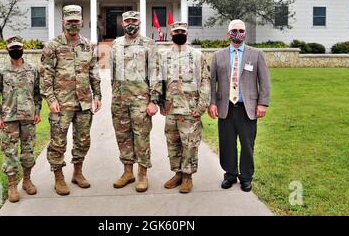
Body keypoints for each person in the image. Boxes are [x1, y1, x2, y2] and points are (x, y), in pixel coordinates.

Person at [40, 5, 101, 196]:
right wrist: (50, 99)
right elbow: (45, 76)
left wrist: (97, 96)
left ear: (81, 21)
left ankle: (77, 172)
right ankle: (59, 177)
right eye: (70, 21)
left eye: (76, 21)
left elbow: (93, 72)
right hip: (61, 103)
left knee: (82, 140)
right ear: (63, 22)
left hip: (83, 102)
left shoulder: (88, 46)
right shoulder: (53, 47)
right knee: (58, 142)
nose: (73, 24)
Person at [208, 19, 271, 192]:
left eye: (241, 30)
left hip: (247, 109)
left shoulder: (256, 54)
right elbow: (212, 82)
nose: (238, 33)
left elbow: (264, 81)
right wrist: (212, 103)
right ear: (228, 34)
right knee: (227, 143)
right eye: (234, 30)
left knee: (247, 144)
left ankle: (246, 177)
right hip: (225, 108)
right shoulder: (218, 55)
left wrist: (263, 104)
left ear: (245, 33)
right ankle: (230, 174)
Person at [152, 21, 210, 193]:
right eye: (176, 31)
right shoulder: (163, 56)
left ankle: (187, 177)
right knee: (173, 143)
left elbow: (205, 82)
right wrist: (160, 103)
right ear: (171, 34)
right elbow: (159, 81)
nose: (179, 33)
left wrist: (201, 106)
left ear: (186, 33)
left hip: (190, 110)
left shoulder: (197, 56)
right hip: (171, 110)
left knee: (190, 145)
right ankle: (178, 173)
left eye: (182, 31)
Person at [109, 11, 159, 192]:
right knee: (123, 138)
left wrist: (154, 100)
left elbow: (155, 72)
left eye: (134, 20)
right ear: (122, 23)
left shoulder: (148, 44)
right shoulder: (116, 45)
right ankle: (127, 172)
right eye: (127, 20)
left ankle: (142, 174)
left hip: (141, 101)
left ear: (140, 22)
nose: (131, 23)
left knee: (141, 138)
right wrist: (113, 97)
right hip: (119, 100)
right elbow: (113, 74)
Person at [0, 36, 42, 202]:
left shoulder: (33, 69)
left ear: (23, 48)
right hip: (8, 118)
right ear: (7, 50)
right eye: (12, 48)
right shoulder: (0, 70)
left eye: (18, 47)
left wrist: (37, 111)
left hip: (28, 118)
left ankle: (27, 181)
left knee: (28, 152)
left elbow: (37, 93)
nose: (15, 50)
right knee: (10, 152)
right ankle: (12, 185)